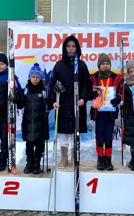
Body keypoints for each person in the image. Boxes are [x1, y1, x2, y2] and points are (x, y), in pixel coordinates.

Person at [49, 35, 91, 169]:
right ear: (64, 48)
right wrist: (53, 100)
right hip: (63, 104)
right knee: (63, 132)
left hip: (78, 104)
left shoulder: (82, 64)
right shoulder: (59, 64)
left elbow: (86, 83)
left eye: (73, 46)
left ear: (77, 48)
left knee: (75, 131)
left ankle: (74, 157)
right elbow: (52, 83)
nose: (71, 48)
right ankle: (63, 158)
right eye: (68, 46)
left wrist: (83, 97)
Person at [88, 53, 122, 171]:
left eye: (107, 63)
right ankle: (100, 158)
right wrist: (90, 94)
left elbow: (119, 91)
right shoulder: (93, 77)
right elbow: (87, 91)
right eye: (103, 64)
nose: (105, 66)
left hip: (110, 112)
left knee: (108, 136)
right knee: (99, 135)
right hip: (99, 111)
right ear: (99, 65)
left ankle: (108, 158)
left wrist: (118, 98)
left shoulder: (115, 77)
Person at [16, 63, 51, 174]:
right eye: (33, 77)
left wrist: (48, 102)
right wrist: (16, 98)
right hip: (28, 123)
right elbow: (20, 105)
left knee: (39, 146)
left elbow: (49, 107)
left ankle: (36, 164)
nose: (35, 79)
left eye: (37, 77)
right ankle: (29, 164)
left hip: (41, 123)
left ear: (40, 78)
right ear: (29, 77)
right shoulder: (25, 91)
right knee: (29, 146)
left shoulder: (44, 91)